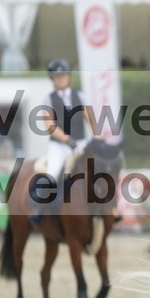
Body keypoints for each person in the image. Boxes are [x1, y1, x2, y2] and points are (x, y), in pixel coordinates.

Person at [30, 59, 100, 226]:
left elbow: (90, 117)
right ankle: (40, 209)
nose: (61, 79)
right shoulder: (49, 99)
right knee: (53, 173)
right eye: (57, 77)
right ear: (53, 79)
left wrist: (96, 136)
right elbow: (50, 126)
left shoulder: (80, 96)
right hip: (59, 145)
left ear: (69, 77)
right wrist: (67, 139)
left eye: (63, 76)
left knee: (98, 172)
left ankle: (109, 209)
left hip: (81, 142)